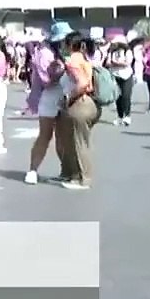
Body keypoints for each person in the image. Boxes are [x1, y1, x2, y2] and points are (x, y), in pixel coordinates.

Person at [24, 23, 70, 185]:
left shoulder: (66, 51)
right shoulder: (44, 53)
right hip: (49, 94)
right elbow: (46, 80)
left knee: (63, 136)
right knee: (45, 134)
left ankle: (65, 170)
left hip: (65, 93)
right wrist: (64, 69)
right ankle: (32, 170)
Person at [54, 32, 99, 190]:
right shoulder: (85, 58)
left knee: (79, 144)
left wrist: (68, 97)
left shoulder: (73, 60)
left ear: (69, 44)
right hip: (90, 103)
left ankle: (83, 178)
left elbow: (82, 83)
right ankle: (75, 174)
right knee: (79, 142)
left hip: (80, 103)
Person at [105, 39, 136, 125]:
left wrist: (116, 63)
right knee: (118, 97)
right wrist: (115, 63)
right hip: (115, 75)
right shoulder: (111, 52)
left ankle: (127, 115)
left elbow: (127, 63)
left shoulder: (127, 51)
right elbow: (108, 63)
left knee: (126, 96)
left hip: (126, 75)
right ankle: (120, 115)